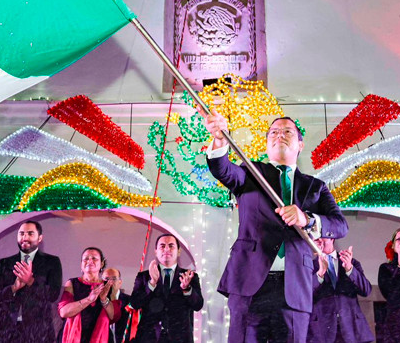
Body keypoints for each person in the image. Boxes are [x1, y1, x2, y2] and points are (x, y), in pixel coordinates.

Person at [203, 111, 349, 343]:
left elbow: (340, 225)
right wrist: (220, 141)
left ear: (300, 144)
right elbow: (223, 169)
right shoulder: (250, 173)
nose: (279, 135)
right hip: (249, 285)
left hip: (294, 289)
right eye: (274, 132)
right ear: (267, 142)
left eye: (287, 131)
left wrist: (307, 219)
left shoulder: (315, 187)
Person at [0, 220, 63, 342]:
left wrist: (31, 281)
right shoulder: (5, 263)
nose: (25, 237)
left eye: (30, 233)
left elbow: (53, 295)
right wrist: (13, 288)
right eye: (21, 233)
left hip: (38, 332)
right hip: (6, 331)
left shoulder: (52, 262)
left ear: (40, 238)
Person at [130, 234, 203, 342]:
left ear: (178, 251)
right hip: (149, 337)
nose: (166, 249)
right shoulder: (144, 276)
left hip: (180, 338)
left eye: (171, 246)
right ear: (156, 251)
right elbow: (135, 303)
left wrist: (186, 289)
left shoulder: (189, 276)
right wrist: (152, 283)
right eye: (162, 246)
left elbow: (198, 305)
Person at [307, 237, 374, 343]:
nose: (318, 239)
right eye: (315, 237)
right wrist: (319, 274)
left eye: (322, 235)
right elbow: (304, 296)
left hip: (352, 330)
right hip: (322, 332)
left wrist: (350, 269)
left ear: (332, 237)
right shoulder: (309, 266)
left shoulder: (351, 262)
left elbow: (366, 290)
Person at [58, 247, 120, 343]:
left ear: (102, 264)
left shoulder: (108, 287)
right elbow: (63, 312)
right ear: (81, 265)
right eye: (86, 259)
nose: (90, 261)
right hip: (73, 336)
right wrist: (88, 299)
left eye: (94, 258)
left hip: (101, 337)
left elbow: (114, 316)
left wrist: (104, 300)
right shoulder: (72, 283)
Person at [102, 267, 132, 343]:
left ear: (120, 282)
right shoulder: (96, 302)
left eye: (114, 279)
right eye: (107, 279)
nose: (110, 282)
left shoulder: (130, 302)